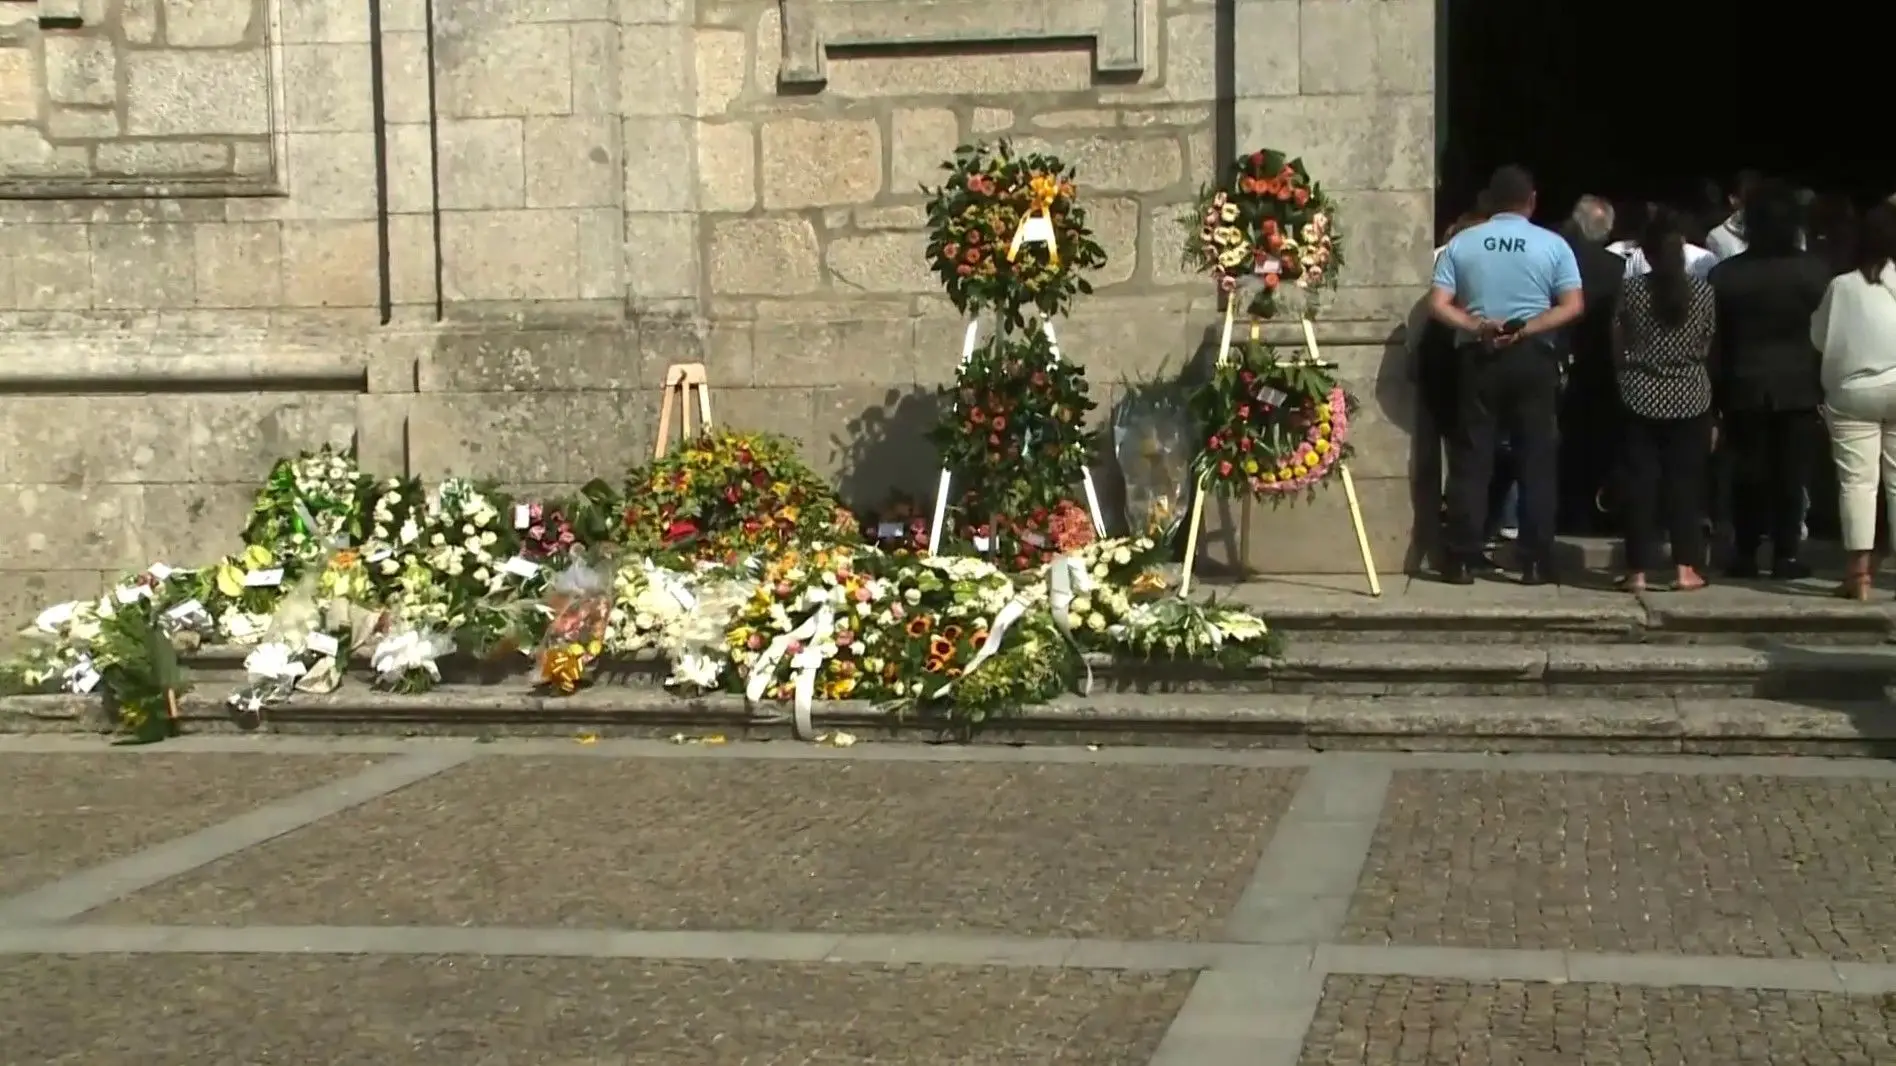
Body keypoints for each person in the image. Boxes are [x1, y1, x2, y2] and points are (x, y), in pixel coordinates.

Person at [1428, 165, 1584, 585]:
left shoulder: (1463, 243)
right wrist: (1526, 328)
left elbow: (1438, 304)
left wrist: (1477, 326)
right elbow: (1572, 306)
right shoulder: (1553, 245)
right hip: (1533, 356)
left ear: (1489, 201)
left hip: (1479, 354)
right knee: (1536, 458)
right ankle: (1535, 558)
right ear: (1531, 199)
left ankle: (1462, 555)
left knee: (1472, 457)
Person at [1709, 180, 1831, 578]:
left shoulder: (1727, 275)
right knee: (1791, 474)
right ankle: (1786, 553)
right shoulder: (1814, 273)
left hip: (1743, 384)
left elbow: (1717, 341)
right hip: (1798, 384)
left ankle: (1745, 551)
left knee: (1748, 473)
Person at [1611, 208, 1715, 592]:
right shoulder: (1703, 292)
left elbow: (1618, 340)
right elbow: (1707, 341)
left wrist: (1625, 370)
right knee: (1684, 484)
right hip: (1691, 395)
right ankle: (1685, 567)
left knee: (1640, 484)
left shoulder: (1632, 289)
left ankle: (1637, 569)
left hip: (1639, 393)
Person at [1812, 202, 1896, 599]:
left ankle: (1858, 576)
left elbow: (1819, 336)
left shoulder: (1842, 285)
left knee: (1857, 483)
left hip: (1853, 393)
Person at [1558, 194, 1628, 534]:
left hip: (1563, 362)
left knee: (1566, 447)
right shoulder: (1616, 268)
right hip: (1603, 367)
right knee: (1601, 445)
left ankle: (1569, 514)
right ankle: (1600, 513)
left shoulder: (1557, 259)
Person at [1706, 170, 1762, 262]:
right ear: (1733, 200)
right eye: (1748, 197)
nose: (1755, 203)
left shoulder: (1775, 232)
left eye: (1759, 196)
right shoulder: (1717, 237)